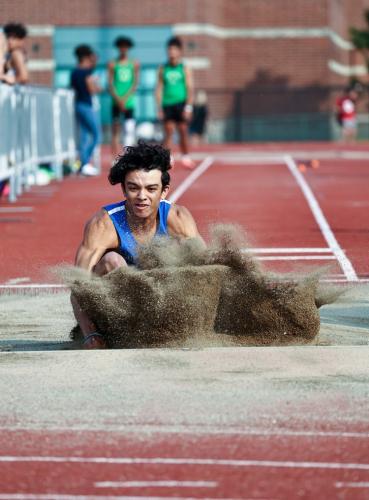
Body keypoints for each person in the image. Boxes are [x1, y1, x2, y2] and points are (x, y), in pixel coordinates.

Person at [72, 141, 203, 349]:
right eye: (134, 188)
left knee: (181, 251)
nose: (142, 196)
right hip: (115, 311)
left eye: (151, 189)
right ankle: (118, 332)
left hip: (159, 305)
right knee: (112, 261)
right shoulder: (104, 224)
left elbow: (205, 274)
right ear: (124, 190)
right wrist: (90, 333)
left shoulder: (178, 218)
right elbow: (78, 285)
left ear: (164, 191)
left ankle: (163, 329)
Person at [156, 37, 194, 168]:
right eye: (169, 49)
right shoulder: (163, 68)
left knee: (183, 130)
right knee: (168, 130)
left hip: (181, 103)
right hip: (167, 104)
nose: (171, 52)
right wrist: (159, 107)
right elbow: (159, 88)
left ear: (179, 51)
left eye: (174, 49)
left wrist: (188, 107)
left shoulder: (184, 68)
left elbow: (190, 88)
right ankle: (167, 157)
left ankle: (185, 156)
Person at [70, 44, 101, 176]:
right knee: (96, 134)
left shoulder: (74, 72)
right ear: (85, 57)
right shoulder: (85, 72)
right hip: (86, 106)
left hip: (78, 105)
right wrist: (96, 84)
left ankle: (83, 163)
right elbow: (92, 89)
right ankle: (85, 162)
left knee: (84, 136)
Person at [108, 36, 139, 155]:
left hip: (129, 102)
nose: (123, 49)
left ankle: (128, 156)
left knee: (129, 130)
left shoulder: (134, 63)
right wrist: (118, 99)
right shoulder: (112, 64)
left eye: (125, 47)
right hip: (116, 102)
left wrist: (125, 99)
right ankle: (114, 158)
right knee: (115, 130)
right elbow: (110, 84)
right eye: (121, 47)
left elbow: (135, 83)